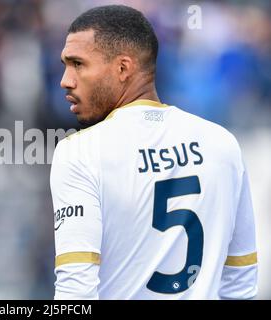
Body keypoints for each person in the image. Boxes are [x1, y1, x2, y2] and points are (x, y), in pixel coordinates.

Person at [50, 5, 257, 299]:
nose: (65, 80)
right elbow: (240, 282)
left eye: (78, 64)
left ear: (123, 68)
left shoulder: (80, 152)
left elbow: (75, 292)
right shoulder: (222, 144)